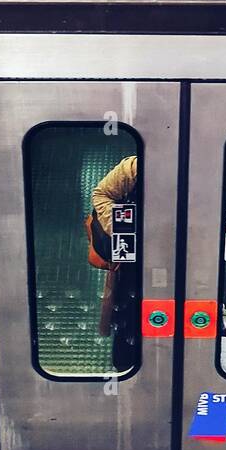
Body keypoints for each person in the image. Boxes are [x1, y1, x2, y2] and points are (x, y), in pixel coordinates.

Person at [88, 155, 139, 373]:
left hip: (194, 261)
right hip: (134, 264)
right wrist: (129, 232)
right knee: (129, 323)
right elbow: (101, 195)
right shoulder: (135, 166)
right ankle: (129, 384)